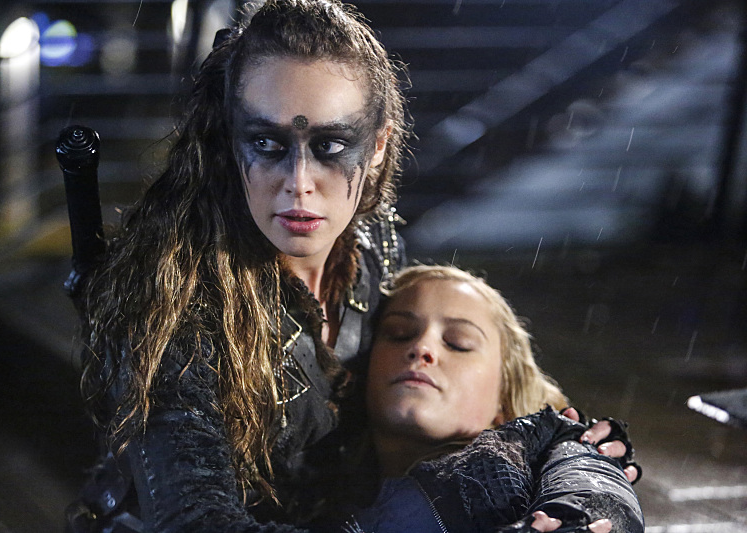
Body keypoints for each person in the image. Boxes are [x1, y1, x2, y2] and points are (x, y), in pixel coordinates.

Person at [64, 1, 636, 532]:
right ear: (229, 140)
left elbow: (536, 430)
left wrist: (581, 480)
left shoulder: (372, 243)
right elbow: (196, 523)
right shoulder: (172, 299)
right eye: (266, 143)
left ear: (379, 145)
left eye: (331, 145)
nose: (299, 183)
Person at [345, 265, 643, 533]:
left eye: (458, 343)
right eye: (399, 333)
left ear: (504, 393)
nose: (422, 347)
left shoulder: (550, 448)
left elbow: (592, 490)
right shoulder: (324, 489)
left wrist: (572, 520)